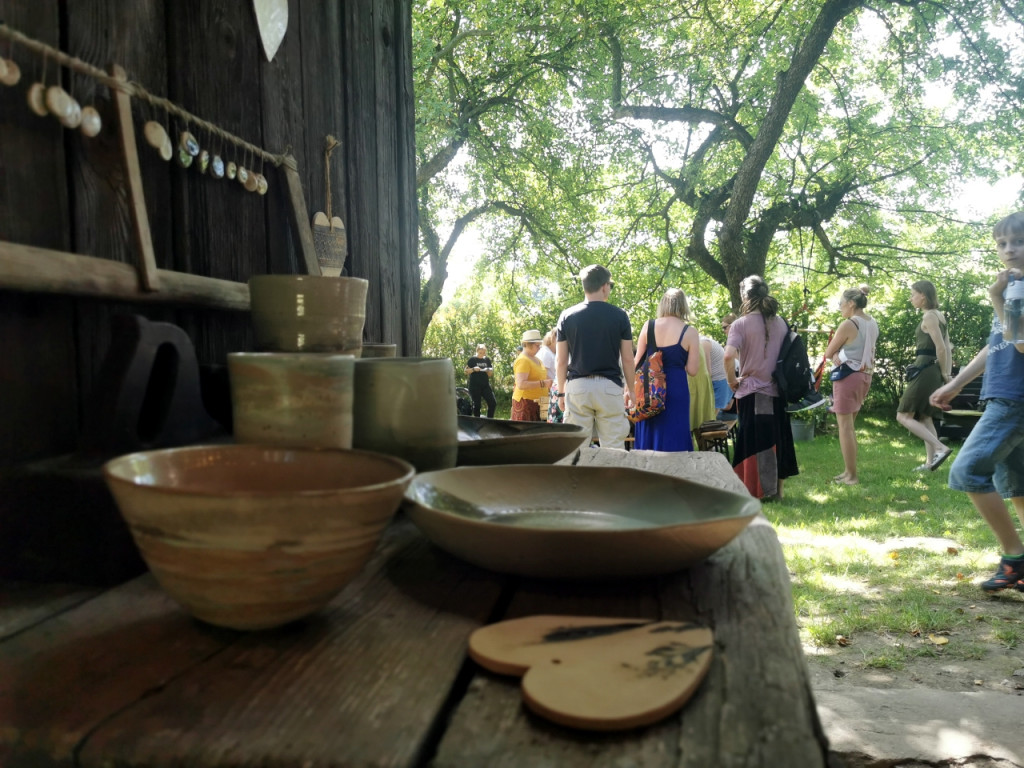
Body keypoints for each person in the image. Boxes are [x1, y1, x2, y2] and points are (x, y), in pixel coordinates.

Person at [930, 211, 1024, 593]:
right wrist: (955, 384)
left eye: (1017, 241)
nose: (1009, 249)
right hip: (1004, 395)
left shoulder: (1014, 290)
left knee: (966, 472)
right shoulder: (1014, 287)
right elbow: (997, 343)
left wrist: (996, 297)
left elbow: (1020, 342)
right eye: (1001, 243)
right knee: (1016, 484)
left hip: (1014, 401)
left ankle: (1014, 558)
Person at [724, 275, 798, 500]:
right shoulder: (781, 322)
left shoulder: (740, 324)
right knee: (779, 440)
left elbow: (728, 356)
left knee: (755, 444)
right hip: (778, 392)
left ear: (746, 296)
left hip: (753, 392)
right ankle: (778, 492)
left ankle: (758, 492)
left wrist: (731, 381)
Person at [555, 264, 635, 450]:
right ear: (605, 286)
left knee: (577, 448)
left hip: (578, 388)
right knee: (614, 448)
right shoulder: (620, 316)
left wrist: (560, 391)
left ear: (584, 286)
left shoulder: (567, 316)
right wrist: (631, 389)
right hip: (609, 386)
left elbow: (561, 361)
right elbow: (628, 359)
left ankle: (579, 480)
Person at [823, 285, 879, 485]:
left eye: (841, 303)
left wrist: (836, 354)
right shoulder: (872, 322)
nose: (839, 307)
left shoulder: (848, 324)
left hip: (849, 377)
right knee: (850, 427)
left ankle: (852, 476)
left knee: (845, 428)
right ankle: (848, 472)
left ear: (851, 303)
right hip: (865, 376)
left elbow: (829, 353)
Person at [632, 289, 701, 452]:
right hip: (676, 388)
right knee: (675, 434)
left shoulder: (648, 326)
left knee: (650, 431)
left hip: (650, 389)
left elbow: (636, 363)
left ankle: (648, 473)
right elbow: (693, 370)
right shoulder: (690, 332)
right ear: (683, 306)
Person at [896, 279, 953, 471]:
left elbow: (942, 348)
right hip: (932, 370)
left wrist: (945, 373)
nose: (911, 298)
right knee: (925, 417)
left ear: (923, 295)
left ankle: (940, 447)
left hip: (926, 369)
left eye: (913, 294)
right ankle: (930, 464)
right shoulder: (940, 315)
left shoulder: (929, 316)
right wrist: (946, 374)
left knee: (903, 415)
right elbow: (948, 347)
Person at [511, 330, 552, 421]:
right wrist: (543, 384)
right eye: (537, 345)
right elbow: (521, 384)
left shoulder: (536, 359)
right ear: (528, 344)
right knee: (525, 433)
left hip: (539, 402)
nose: (539, 348)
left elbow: (543, 376)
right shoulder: (523, 360)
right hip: (526, 403)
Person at [701, 335, 732, 412]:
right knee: (710, 418)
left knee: (710, 418)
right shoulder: (704, 341)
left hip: (718, 382)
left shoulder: (703, 344)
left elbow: (707, 372)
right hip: (721, 381)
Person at [464, 344, 496, 418]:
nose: (482, 354)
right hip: (474, 386)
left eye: (484, 352)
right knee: (477, 405)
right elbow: (466, 371)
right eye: (480, 352)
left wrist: (489, 370)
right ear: (477, 351)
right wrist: (473, 369)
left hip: (485, 386)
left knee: (492, 403)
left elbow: (490, 374)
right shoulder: (472, 360)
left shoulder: (487, 360)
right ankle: (477, 422)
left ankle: (489, 420)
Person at [538, 329, 557, 422]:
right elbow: (542, 373)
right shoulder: (545, 352)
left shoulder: (552, 353)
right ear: (553, 339)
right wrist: (555, 386)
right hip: (548, 391)